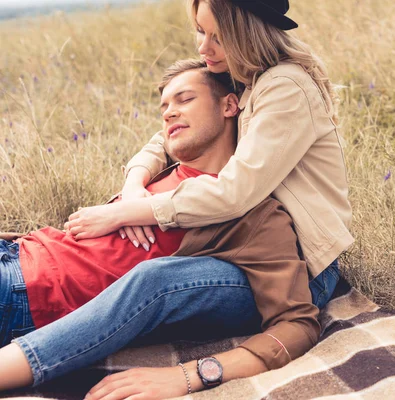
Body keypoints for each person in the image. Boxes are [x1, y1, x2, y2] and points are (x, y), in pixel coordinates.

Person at [3, 0, 353, 397]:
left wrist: (133, 212)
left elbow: (236, 194)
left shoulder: (285, 86)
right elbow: (166, 138)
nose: (204, 48)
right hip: (24, 258)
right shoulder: (242, 77)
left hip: (305, 260)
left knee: (157, 281)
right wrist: (134, 186)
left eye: (217, 37)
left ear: (246, 34)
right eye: (200, 32)